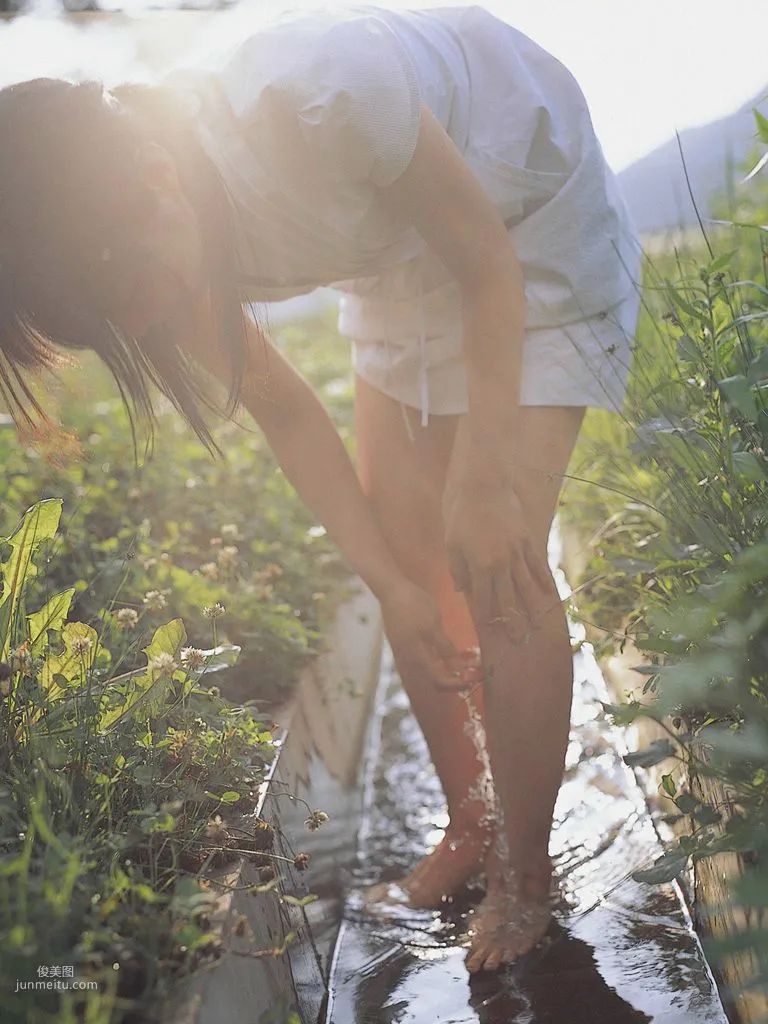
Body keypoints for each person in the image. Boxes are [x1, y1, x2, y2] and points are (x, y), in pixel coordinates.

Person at [0, 3, 642, 973]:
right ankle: (473, 825)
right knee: (410, 552)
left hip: (522, 218)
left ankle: (524, 874)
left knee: (494, 555)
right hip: (397, 256)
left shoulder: (318, 93)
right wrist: (386, 580)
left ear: (157, 178)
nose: (146, 321)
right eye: (111, 324)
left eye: (134, 291)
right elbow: (288, 409)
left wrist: (484, 478)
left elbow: (487, 266)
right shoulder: (133, 255)